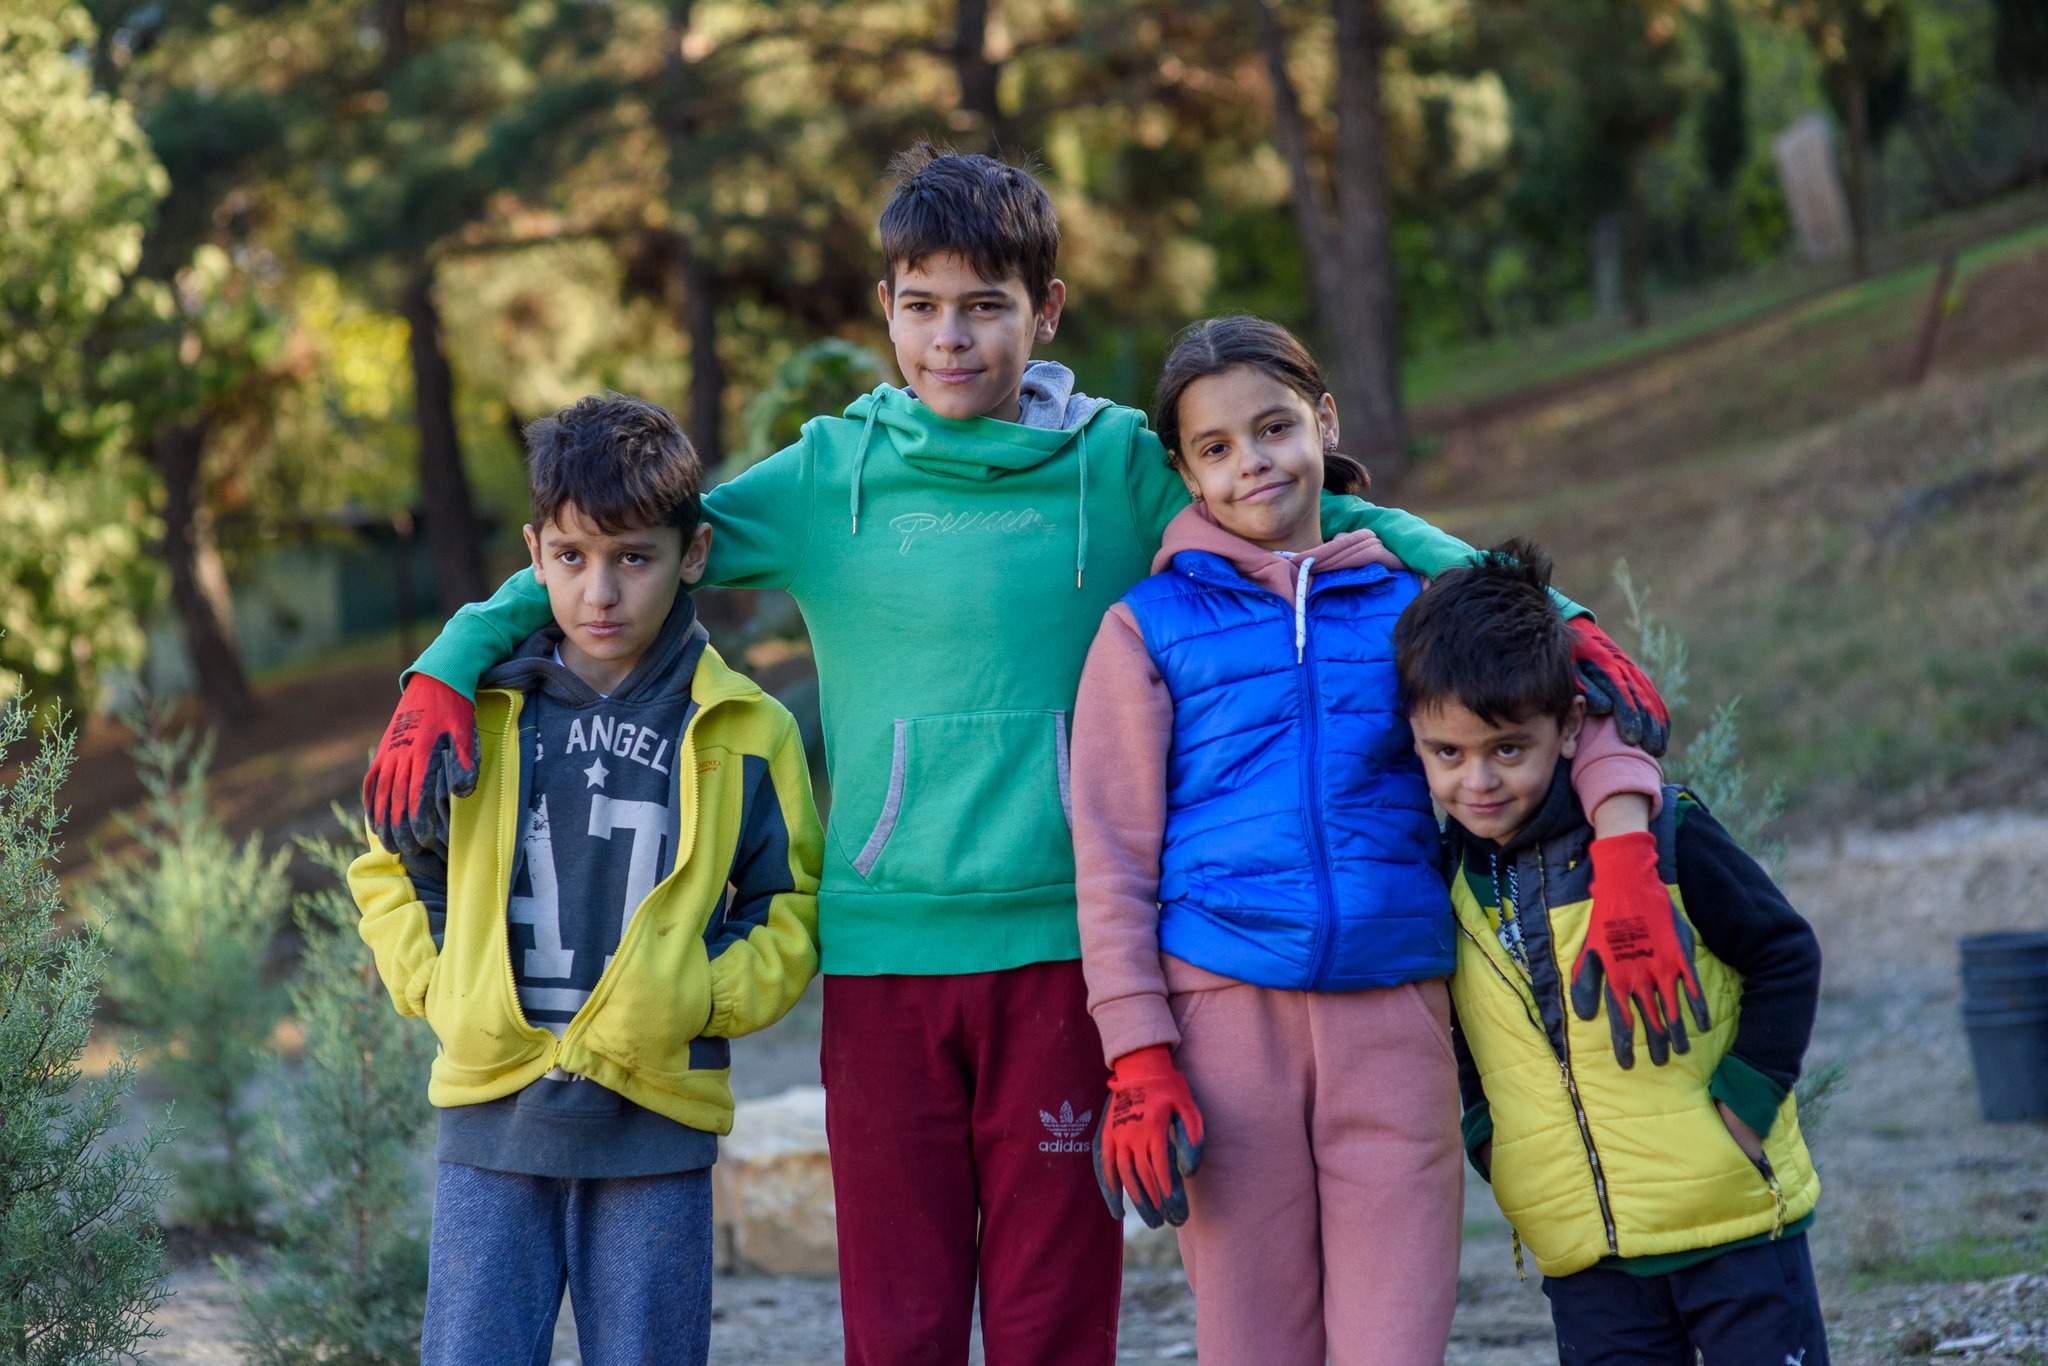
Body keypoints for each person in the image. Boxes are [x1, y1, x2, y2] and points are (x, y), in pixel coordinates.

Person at [358, 147, 1669, 1364]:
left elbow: (1329, 517)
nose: (951, 337)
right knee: (903, 1315)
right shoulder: (829, 475)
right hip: (883, 955)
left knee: (1053, 1315)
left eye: (984, 305)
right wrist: (448, 665)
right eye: (922, 305)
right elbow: (618, 539)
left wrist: (1541, 608)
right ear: (884, 309)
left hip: (1063, 958)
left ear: (1045, 310)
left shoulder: (1120, 467)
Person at [1070, 317, 1666, 1365]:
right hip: (1221, 1021)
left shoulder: (1415, 601)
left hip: (1397, 1014)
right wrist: (1138, 1054)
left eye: (1273, 428)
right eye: (1215, 447)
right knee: (1253, 1345)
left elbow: (1576, 709)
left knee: (1395, 1341)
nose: (1252, 462)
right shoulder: (1143, 628)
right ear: (1184, 470)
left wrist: (1624, 853)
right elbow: (1111, 861)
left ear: (1324, 421)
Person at [348, 393, 822, 1366]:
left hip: (656, 1125)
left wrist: (699, 996)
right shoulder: (475, 714)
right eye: (570, 557)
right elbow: (393, 864)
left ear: (692, 553)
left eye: (633, 558)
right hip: (492, 1121)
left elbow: (789, 906)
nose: (599, 592)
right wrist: (441, 987)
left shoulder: (748, 729)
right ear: (534, 554)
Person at [1395, 539, 1828, 1366]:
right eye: (1447, 754)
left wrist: (1747, 1103)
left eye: (1507, 749)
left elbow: (1784, 954)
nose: (1477, 782)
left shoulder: (1666, 834)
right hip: (1585, 1260)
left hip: (1731, 1226)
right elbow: (1465, 1037)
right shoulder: (1447, 880)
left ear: (1568, 726)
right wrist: (1493, 1141)